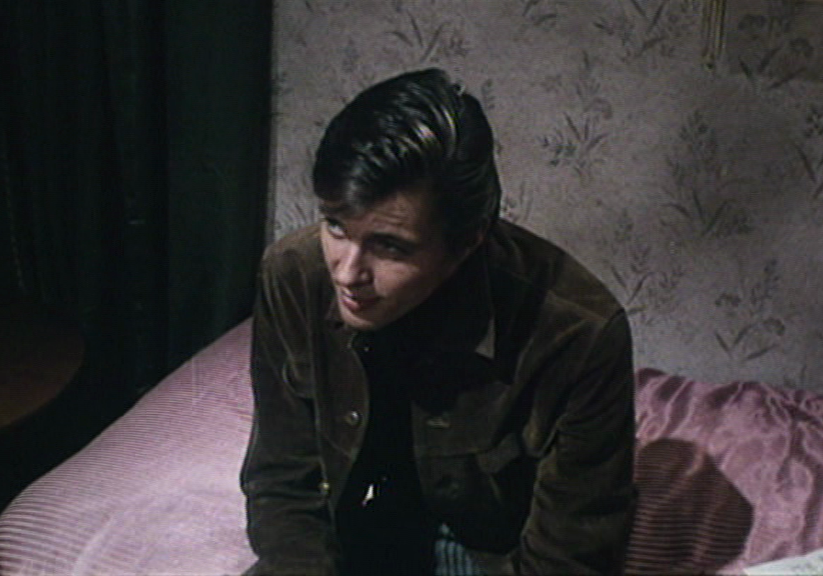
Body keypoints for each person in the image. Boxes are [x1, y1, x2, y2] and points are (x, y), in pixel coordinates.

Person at [240, 68, 636, 576]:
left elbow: (568, 559)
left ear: (467, 242)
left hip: (493, 557)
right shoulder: (293, 275)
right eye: (336, 226)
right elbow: (281, 484)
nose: (347, 272)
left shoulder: (578, 335)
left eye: (389, 247)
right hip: (344, 543)